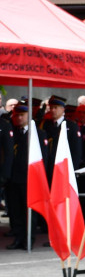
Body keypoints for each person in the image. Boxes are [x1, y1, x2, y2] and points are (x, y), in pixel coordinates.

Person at [5, 103, 31, 250]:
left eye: (22, 115)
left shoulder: (36, 133)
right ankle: (18, 238)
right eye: (16, 115)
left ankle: (28, 239)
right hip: (13, 178)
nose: (19, 118)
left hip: (28, 178)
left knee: (27, 211)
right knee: (15, 212)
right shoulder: (12, 131)